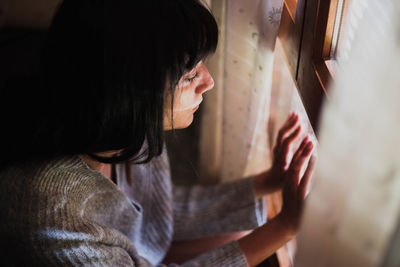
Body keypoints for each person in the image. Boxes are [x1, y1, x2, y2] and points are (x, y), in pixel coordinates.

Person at [0, 0, 315, 266]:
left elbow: (158, 208)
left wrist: (267, 181)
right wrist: (285, 228)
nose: (209, 81)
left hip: (135, 249)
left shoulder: (123, 129)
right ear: (130, 94)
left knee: (247, 232)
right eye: (190, 75)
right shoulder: (52, 218)